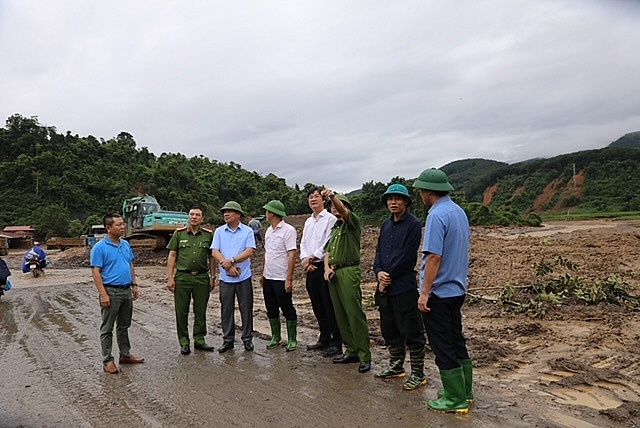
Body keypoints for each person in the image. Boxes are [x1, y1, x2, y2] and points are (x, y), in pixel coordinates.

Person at [413, 168, 473, 414]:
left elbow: (434, 256)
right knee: (456, 340)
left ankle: (454, 399)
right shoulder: (458, 211)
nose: (419, 194)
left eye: (420, 190)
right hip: (457, 289)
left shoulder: (436, 215)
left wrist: (425, 292)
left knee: (442, 345)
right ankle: (464, 391)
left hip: (439, 293)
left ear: (427, 191)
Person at [373, 184, 427, 390]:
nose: (393, 202)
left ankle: (419, 374)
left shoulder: (413, 225)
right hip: (385, 287)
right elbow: (379, 252)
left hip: (403, 286)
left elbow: (408, 255)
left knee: (412, 329)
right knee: (389, 328)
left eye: (397, 199)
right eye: (390, 199)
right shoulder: (385, 225)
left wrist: (389, 276)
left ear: (406, 202)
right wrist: (378, 272)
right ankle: (396, 367)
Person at [321, 187, 371, 374]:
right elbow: (328, 251)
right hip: (334, 273)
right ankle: (351, 350)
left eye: (338, 206)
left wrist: (333, 196)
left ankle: (365, 354)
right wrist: (326, 268)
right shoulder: (335, 229)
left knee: (354, 313)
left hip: (349, 270)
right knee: (340, 314)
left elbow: (342, 211)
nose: (334, 209)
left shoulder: (352, 224)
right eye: (331, 206)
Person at [90, 213, 144, 374]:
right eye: (118, 225)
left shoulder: (125, 244)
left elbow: (130, 264)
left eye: (123, 224)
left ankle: (125, 354)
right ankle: (107, 360)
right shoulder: (100, 247)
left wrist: (134, 284)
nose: (122, 227)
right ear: (108, 228)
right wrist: (103, 294)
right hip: (111, 291)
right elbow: (96, 272)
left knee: (124, 325)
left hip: (126, 290)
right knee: (107, 327)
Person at [167, 207, 216, 355]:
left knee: (200, 310)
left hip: (201, 277)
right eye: (192, 215)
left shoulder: (208, 235)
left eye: (197, 215)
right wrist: (170, 277)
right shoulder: (179, 234)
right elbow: (172, 255)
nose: (194, 217)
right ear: (189, 217)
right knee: (181, 311)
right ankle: (184, 342)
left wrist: (213, 277)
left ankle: (200, 340)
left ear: (202, 218)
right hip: (182, 277)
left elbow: (212, 257)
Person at [299, 186, 342, 357]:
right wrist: (304, 260)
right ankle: (323, 339)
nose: (313, 199)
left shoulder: (330, 219)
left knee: (329, 305)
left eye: (316, 196)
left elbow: (328, 243)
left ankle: (336, 341)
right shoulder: (308, 221)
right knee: (317, 306)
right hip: (309, 268)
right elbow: (303, 243)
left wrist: (311, 258)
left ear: (323, 200)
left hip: (322, 266)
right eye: (310, 197)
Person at [211, 201, 256, 353]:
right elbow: (215, 251)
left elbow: (249, 251)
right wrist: (229, 266)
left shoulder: (247, 231)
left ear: (238, 215)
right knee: (226, 309)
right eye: (224, 211)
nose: (226, 214)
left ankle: (247, 338)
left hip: (243, 276)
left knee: (246, 308)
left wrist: (233, 260)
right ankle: (228, 340)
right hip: (226, 277)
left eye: (229, 211)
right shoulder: (219, 231)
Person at [261, 200, 298, 351]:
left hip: (281, 277)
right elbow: (267, 254)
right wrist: (263, 273)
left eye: (267, 211)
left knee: (287, 307)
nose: (266, 214)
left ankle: (292, 339)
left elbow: (292, 255)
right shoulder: (269, 231)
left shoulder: (288, 230)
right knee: (271, 308)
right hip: (269, 276)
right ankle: (275, 336)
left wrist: (289, 278)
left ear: (273, 213)